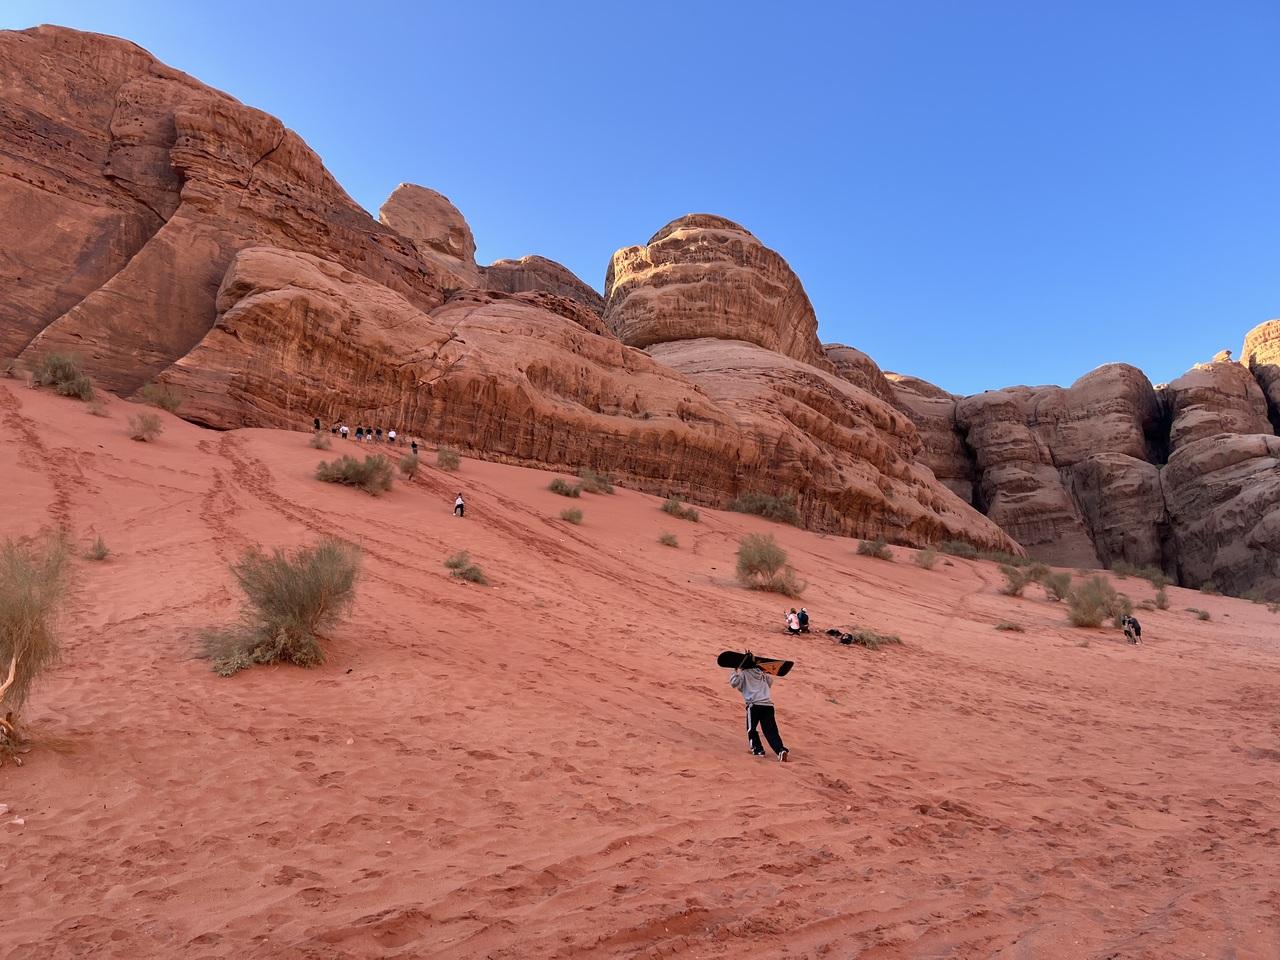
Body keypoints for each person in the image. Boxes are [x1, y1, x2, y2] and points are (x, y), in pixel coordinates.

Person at [728, 652, 789, 762]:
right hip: (768, 706)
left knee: (751, 729)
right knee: (771, 731)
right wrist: (763, 671)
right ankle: (780, 750)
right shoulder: (762, 674)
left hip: (754, 705)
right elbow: (770, 682)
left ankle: (758, 750)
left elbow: (734, 683)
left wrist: (735, 671)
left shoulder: (744, 674)